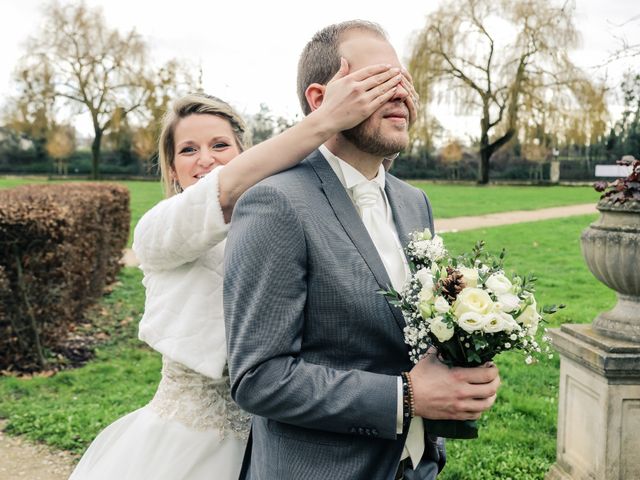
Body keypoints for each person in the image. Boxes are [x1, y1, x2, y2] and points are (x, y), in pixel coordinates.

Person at [69, 59, 403, 480]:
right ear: (172, 168)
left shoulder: (278, 219)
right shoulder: (158, 230)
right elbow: (224, 191)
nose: (205, 159)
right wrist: (327, 119)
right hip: (189, 448)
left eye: (220, 145)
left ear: (245, 152)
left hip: (282, 444)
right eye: (188, 150)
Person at [224, 20, 501, 480]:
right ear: (320, 99)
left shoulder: (414, 201)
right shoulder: (275, 204)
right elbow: (259, 379)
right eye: (378, 80)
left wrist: (464, 364)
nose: (400, 94)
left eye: (403, 80)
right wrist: (406, 397)